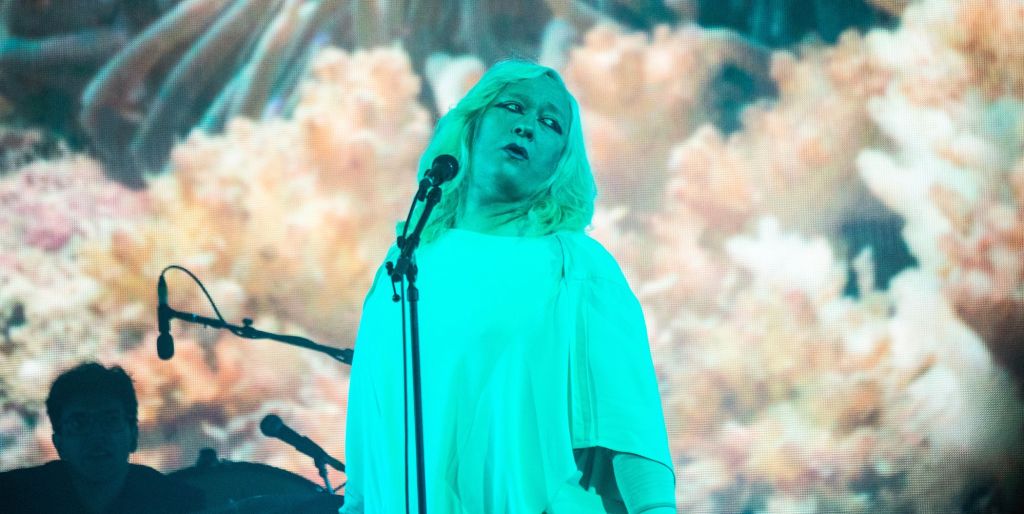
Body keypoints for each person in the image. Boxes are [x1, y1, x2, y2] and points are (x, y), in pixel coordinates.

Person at [341, 60, 676, 513]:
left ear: (561, 162)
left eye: (550, 123)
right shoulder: (401, 267)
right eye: (513, 107)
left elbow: (627, 427)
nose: (527, 126)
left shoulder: (574, 266)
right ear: (473, 123)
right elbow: (369, 437)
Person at [0, 362, 205, 513]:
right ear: (58, 444)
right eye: (79, 423)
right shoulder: (14, 497)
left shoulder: (176, 503)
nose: (96, 436)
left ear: (133, 435)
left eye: (110, 420)